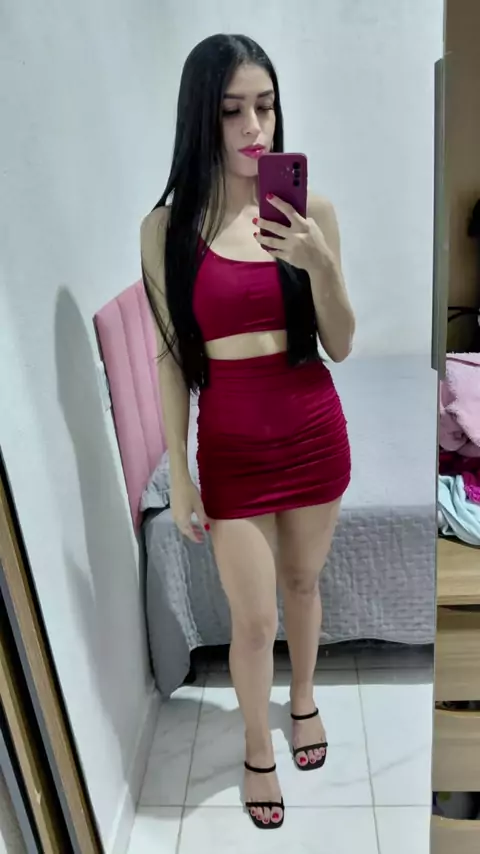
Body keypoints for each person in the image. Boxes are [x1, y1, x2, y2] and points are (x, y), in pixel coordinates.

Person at [141, 33, 355, 831]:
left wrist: (319, 262)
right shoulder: (165, 230)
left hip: (312, 429)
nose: (253, 127)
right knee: (255, 618)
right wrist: (181, 474)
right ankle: (257, 743)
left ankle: (303, 699)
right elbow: (171, 359)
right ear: (202, 118)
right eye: (232, 110)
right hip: (231, 445)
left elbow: (341, 343)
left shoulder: (311, 211)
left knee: (303, 586)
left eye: (264, 106)